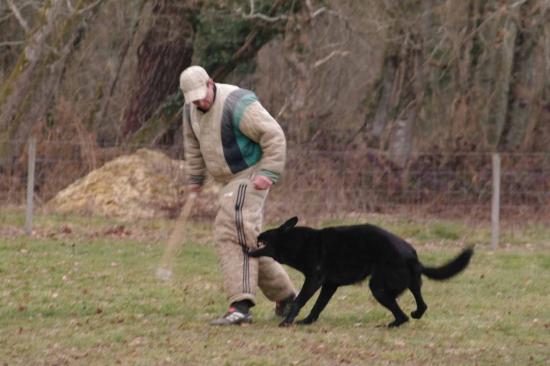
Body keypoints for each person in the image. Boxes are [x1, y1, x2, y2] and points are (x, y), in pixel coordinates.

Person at [179, 65, 296, 325]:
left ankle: (241, 306)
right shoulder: (190, 111)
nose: (200, 101)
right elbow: (193, 148)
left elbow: (274, 135)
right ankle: (287, 297)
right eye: (194, 98)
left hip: (251, 173)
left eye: (203, 94)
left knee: (230, 230)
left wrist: (269, 171)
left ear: (211, 83)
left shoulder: (237, 103)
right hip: (228, 181)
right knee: (248, 237)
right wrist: (195, 181)